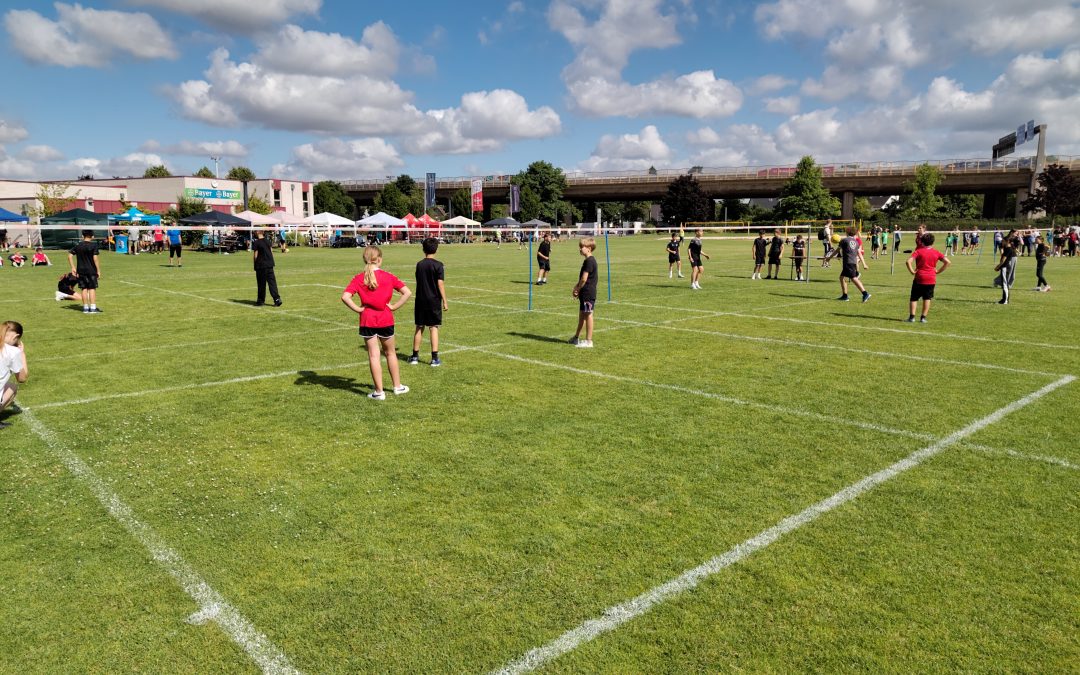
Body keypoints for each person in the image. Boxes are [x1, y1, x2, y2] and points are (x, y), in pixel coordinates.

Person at [341, 246, 412, 400]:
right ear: (379, 259)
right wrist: (393, 306)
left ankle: (379, 392)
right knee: (391, 353)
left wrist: (359, 310)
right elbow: (407, 292)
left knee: (374, 356)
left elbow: (345, 297)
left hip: (367, 321)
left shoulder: (359, 278)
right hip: (386, 319)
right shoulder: (388, 276)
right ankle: (397, 387)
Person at [409, 237, 448, 367]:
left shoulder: (419, 264)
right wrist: (445, 301)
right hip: (433, 300)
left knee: (419, 327)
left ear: (423, 249)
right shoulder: (438, 265)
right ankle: (434, 358)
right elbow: (440, 284)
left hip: (420, 299)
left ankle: (414, 356)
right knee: (433, 328)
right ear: (436, 249)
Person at [905, 233, 950, 323]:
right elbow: (948, 262)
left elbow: (908, 261)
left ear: (921, 242)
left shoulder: (918, 251)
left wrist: (912, 272)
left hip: (919, 277)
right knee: (927, 298)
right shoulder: (936, 252)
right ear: (932, 242)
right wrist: (938, 271)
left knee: (914, 298)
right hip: (931, 278)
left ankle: (912, 317)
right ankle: (923, 318)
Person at [825, 226, 871, 302]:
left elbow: (837, 250)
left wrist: (829, 257)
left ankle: (865, 293)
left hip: (848, 262)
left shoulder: (844, 240)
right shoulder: (856, 242)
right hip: (853, 262)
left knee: (853, 278)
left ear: (847, 233)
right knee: (842, 278)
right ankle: (845, 296)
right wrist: (864, 264)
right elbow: (859, 253)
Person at [570, 237, 598, 348]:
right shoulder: (587, 261)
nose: (580, 249)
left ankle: (588, 341)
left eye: (582, 247)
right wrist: (578, 289)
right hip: (584, 292)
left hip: (588, 293)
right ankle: (576, 338)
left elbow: (584, 279)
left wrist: (577, 288)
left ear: (589, 248)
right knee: (582, 316)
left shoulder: (590, 261)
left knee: (588, 315)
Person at [0, 321, 28, 429]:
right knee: (13, 388)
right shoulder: (13, 351)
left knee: (9, 385)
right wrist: (22, 353)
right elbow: (22, 378)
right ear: (16, 336)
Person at [67, 230, 102, 314]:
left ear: (83, 236)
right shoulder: (94, 246)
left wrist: (73, 267)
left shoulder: (78, 245)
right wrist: (98, 270)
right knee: (92, 288)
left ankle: (86, 308)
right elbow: (95, 259)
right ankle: (93, 308)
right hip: (91, 270)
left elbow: (69, 256)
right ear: (92, 236)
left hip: (80, 270)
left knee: (84, 288)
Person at [252, 228, 281, 306]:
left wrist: (255, 265)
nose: (254, 233)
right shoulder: (268, 241)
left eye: (255, 231)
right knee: (272, 283)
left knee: (261, 284)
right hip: (269, 265)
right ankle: (277, 299)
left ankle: (261, 300)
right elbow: (271, 252)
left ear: (258, 232)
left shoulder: (256, 242)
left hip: (261, 265)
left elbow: (255, 256)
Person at [994, 230, 1019, 305]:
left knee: (1005, 284)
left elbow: (1003, 260)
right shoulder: (1009, 248)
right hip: (1005, 267)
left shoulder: (1008, 249)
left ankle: (1005, 300)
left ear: (1006, 242)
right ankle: (1003, 299)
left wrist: (998, 267)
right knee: (1004, 283)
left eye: (1003, 241)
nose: (1002, 242)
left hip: (1005, 267)